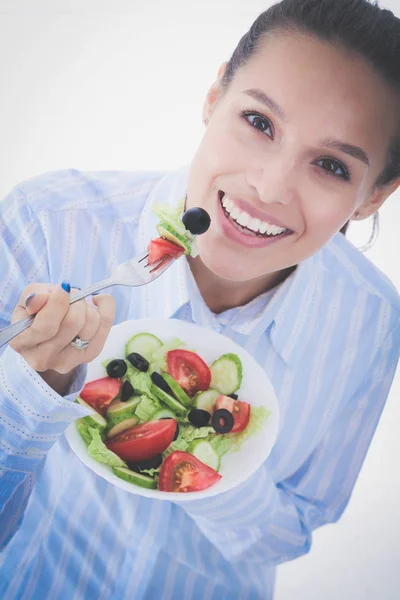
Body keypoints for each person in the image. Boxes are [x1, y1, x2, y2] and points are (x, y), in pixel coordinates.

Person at [0, 0, 399, 597]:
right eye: (260, 123)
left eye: (331, 166)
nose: (268, 188)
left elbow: (288, 536)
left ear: (374, 197)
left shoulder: (370, 321)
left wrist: (219, 464)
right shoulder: (47, 224)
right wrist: (32, 392)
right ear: (215, 96)